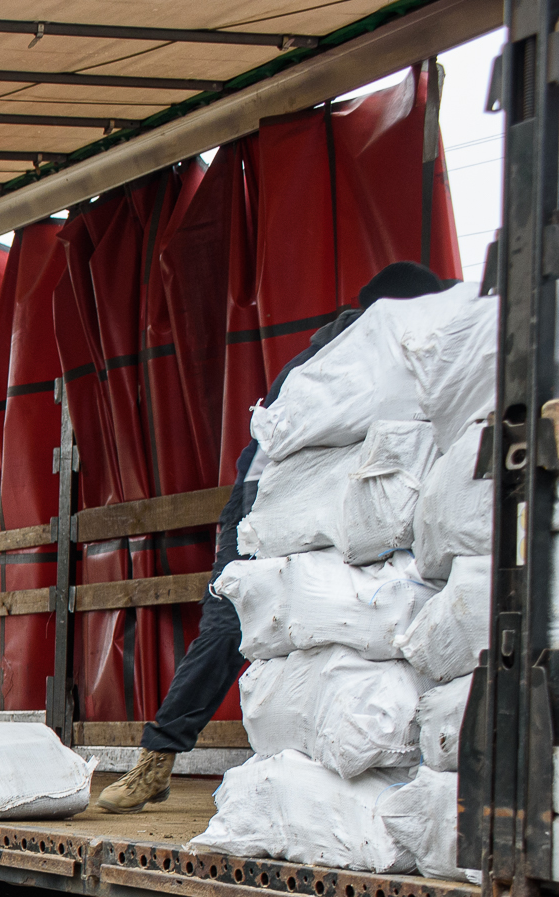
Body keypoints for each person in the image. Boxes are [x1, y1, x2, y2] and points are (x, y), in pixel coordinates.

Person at [97, 261, 458, 811]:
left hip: (353, 512)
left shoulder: (398, 355)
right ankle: (158, 757)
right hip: (265, 508)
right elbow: (276, 451)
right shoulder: (331, 358)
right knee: (227, 626)